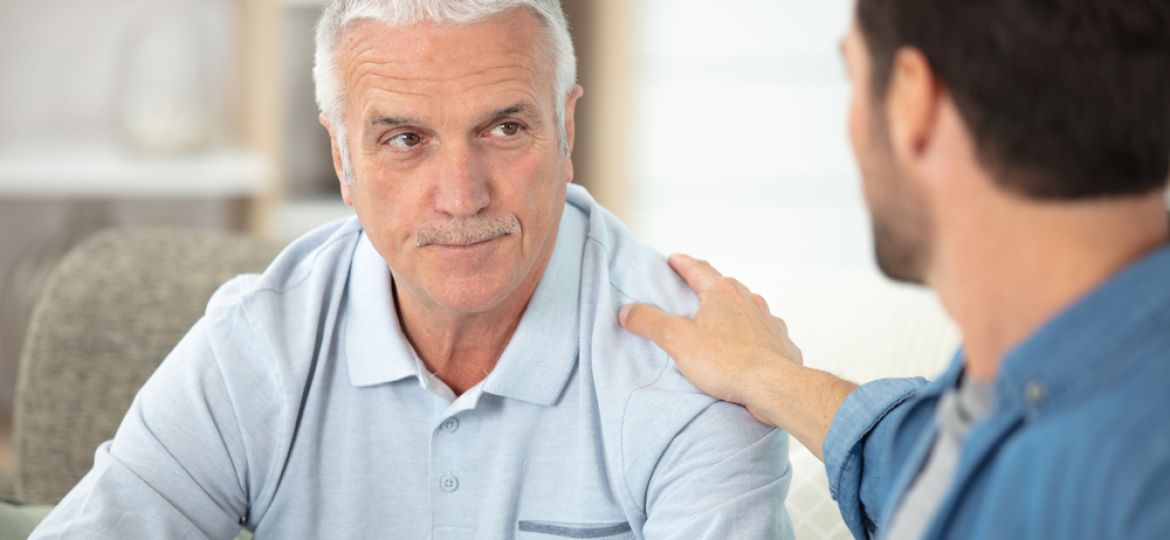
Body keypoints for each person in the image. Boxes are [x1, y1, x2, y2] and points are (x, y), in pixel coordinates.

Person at [31, 1, 793, 538]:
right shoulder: (254, 346)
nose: (462, 197)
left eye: (504, 127)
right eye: (405, 140)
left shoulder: (694, 373)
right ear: (341, 156)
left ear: (565, 127)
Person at [621, 0, 1170, 538]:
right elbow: (915, 456)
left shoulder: (1131, 480)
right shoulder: (1018, 371)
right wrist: (763, 374)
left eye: (853, 75)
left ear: (913, 99)